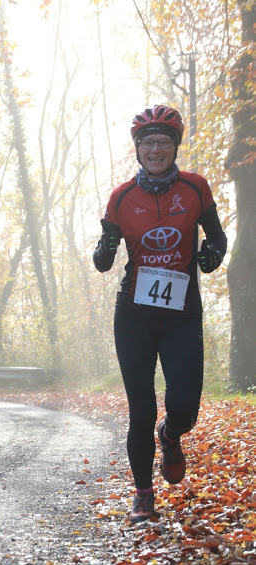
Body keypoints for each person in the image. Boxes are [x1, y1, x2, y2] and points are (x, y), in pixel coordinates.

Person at [93, 105, 227, 523]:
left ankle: (170, 436)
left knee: (185, 406)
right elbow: (103, 257)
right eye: (148, 143)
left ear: (174, 147)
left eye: (163, 142)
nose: (155, 149)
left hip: (182, 313)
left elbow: (218, 239)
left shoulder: (195, 188)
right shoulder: (121, 197)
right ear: (138, 148)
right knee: (141, 409)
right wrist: (104, 250)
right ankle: (143, 496)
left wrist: (211, 255)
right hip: (134, 313)